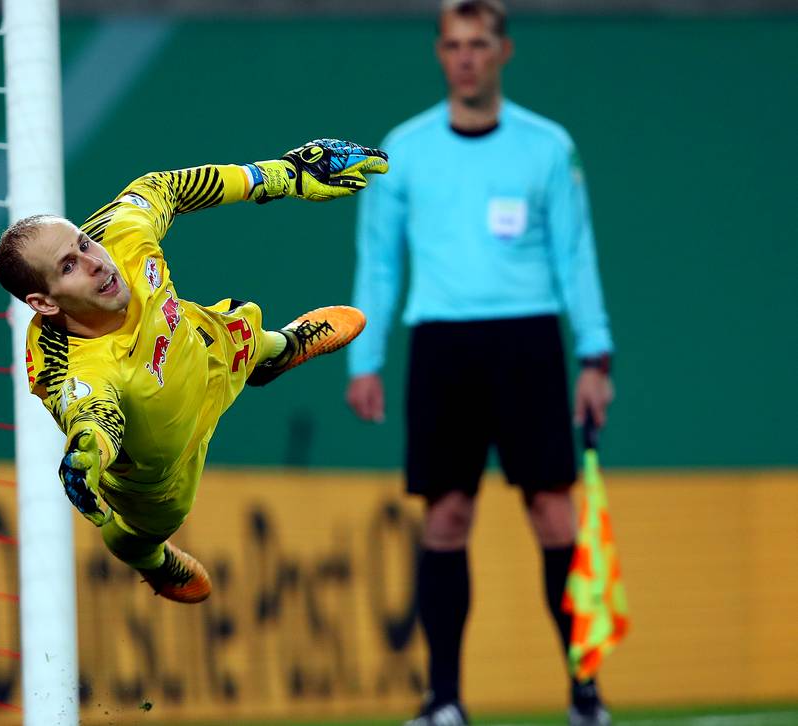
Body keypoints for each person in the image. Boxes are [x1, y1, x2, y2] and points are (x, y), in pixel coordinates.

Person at [344, 2, 615, 725]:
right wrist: (362, 359)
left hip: (527, 343)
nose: (466, 57)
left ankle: (584, 693)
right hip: (443, 346)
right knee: (447, 518)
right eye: (454, 45)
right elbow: (378, 262)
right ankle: (444, 700)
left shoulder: (547, 147)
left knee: (555, 515)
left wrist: (596, 354)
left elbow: (575, 254)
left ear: (503, 52)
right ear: (440, 53)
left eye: (479, 44)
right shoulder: (402, 150)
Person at [0, 139, 388, 603]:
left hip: (202, 349)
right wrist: (88, 456)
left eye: (84, 243)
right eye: (69, 266)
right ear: (43, 302)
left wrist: (283, 175)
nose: (97, 263)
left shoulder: (120, 235)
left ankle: (282, 349)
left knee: (238, 334)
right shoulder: (66, 366)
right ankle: (149, 560)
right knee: (140, 533)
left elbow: (166, 187)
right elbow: (93, 418)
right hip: (164, 464)